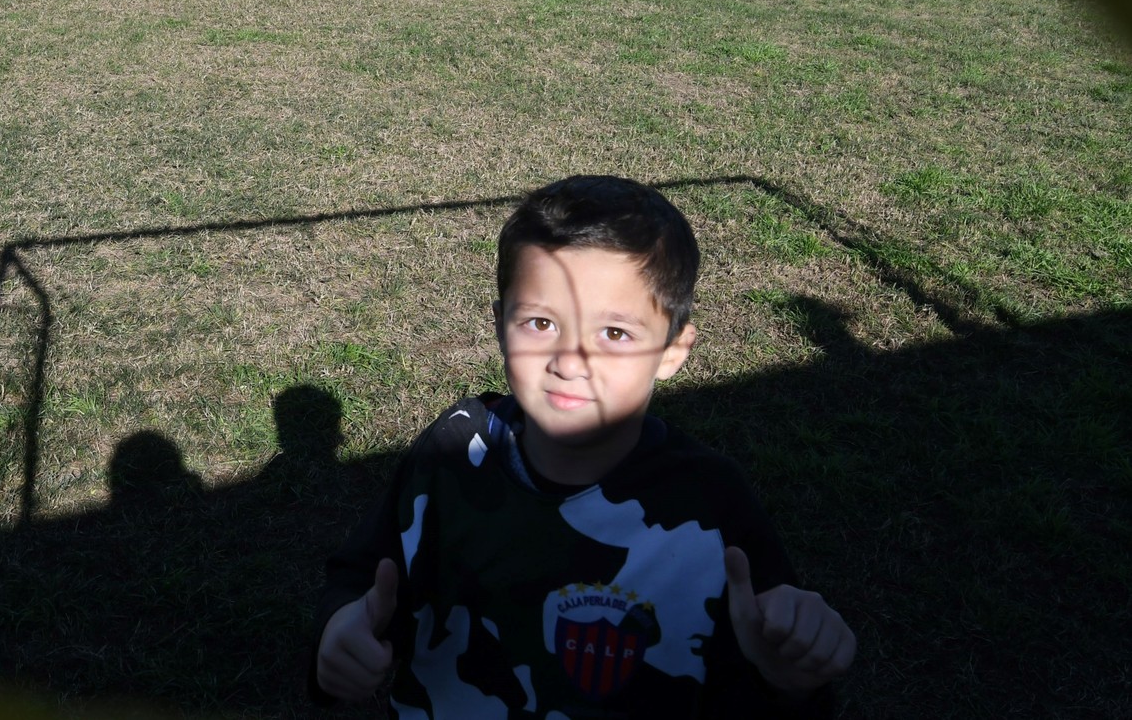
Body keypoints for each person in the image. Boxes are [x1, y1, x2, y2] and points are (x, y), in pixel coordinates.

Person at [311, 175, 857, 717]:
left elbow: (765, 672)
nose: (570, 362)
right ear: (501, 325)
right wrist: (340, 632)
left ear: (672, 350)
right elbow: (363, 576)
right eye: (540, 322)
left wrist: (789, 682)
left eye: (614, 334)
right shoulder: (453, 452)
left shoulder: (710, 503)